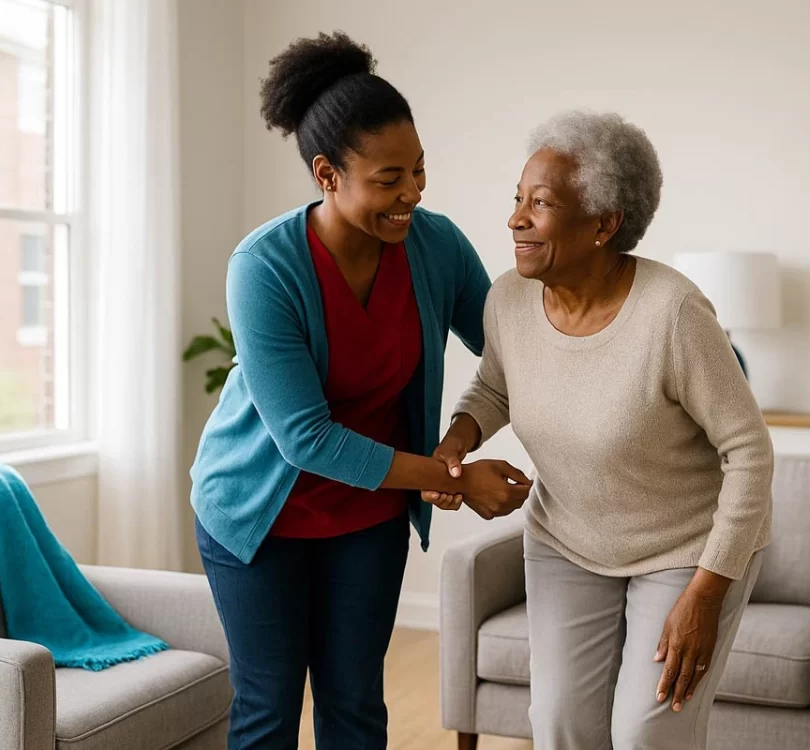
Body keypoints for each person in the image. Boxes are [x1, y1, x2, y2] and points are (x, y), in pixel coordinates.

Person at [189, 32, 531, 750]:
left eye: (419, 170)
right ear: (327, 174)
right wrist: (452, 480)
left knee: (353, 708)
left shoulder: (435, 245)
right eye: (388, 178)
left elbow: (513, 347)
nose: (411, 192)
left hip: (367, 517)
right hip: (258, 516)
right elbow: (305, 438)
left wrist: (462, 438)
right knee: (268, 709)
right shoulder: (266, 267)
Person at [427, 110, 774, 750]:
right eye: (517, 200)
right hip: (566, 542)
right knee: (559, 726)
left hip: (684, 552)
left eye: (541, 204)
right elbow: (496, 386)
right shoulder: (509, 298)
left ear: (604, 224)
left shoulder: (672, 312)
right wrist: (457, 441)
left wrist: (706, 591)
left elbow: (750, 453)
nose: (515, 220)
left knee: (648, 732)